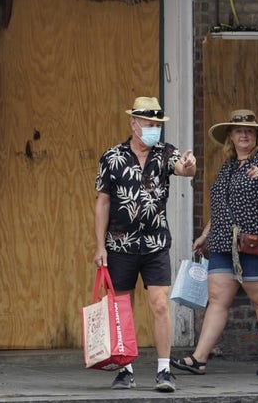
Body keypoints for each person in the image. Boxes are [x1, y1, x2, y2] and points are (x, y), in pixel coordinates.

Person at [170, 109, 258, 377]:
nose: (243, 135)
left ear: (256, 135)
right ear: (231, 136)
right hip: (224, 241)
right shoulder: (227, 166)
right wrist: (205, 234)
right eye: (238, 131)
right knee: (217, 299)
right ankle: (199, 358)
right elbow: (224, 207)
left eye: (249, 130)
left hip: (257, 238)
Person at [94, 96, 196, 393]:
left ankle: (164, 370)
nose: (154, 129)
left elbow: (185, 169)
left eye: (157, 125)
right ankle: (126, 370)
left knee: (160, 304)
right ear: (133, 124)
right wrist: (99, 245)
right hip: (120, 244)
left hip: (155, 243)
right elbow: (102, 202)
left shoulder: (166, 153)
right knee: (121, 307)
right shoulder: (112, 157)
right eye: (149, 124)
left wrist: (190, 165)